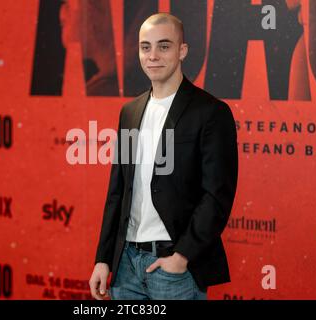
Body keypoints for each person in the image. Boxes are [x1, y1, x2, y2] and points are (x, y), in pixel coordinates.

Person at [89, 13, 238, 300]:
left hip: (174, 270)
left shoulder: (210, 113)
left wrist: (181, 257)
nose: (153, 56)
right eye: (146, 47)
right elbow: (117, 192)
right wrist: (104, 258)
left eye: (164, 46)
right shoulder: (129, 112)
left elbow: (217, 196)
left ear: (182, 51)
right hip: (125, 268)